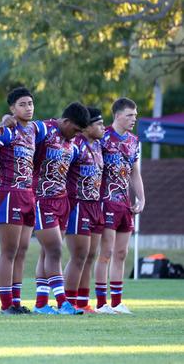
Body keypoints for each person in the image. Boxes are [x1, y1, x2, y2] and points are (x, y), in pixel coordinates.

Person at [31, 102, 89, 315]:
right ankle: (63, 302)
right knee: (55, 249)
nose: (76, 135)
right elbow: (22, 130)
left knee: (47, 253)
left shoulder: (71, 144)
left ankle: (40, 304)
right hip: (42, 199)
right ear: (65, 121)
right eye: (75, 129)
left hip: (62, 201)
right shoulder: (43, 130)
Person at [94, 97, 144, 314]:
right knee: (106, 252)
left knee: (121, 253)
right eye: (129, 115)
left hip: (124, 204)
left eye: (135, 115)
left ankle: (116, 302)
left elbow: (135, 173)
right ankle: (101, 303)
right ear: (117, 115)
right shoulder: (102, 137)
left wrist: (141, 198)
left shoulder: (134, 141)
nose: (134, 119)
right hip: (105, 202)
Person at [0, 87, 38, 314]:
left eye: (30, 103)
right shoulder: (5, 130)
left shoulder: (34, 130)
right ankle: (5, 303)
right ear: (12, 108)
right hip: (9, 192)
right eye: (22, 104)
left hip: (28, 193)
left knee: (22, 250)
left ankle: (16, 301)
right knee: (8, 250)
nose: (28, 108)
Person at [64, 107, 105, 314]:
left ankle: (82, 301)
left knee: (90, 256)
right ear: (87, 127)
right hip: (78, 205)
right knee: (78, 255)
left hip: (95, 205)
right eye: (99, 124)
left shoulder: (98, 145)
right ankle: (68, 302)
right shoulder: (75, 146)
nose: (103, 127)